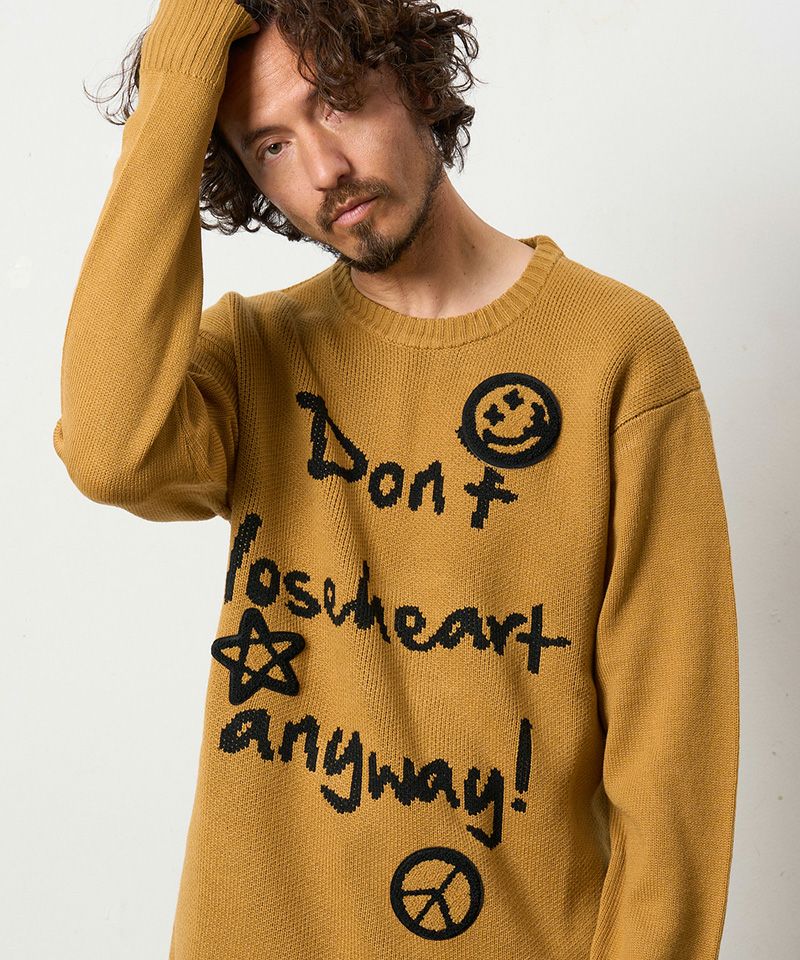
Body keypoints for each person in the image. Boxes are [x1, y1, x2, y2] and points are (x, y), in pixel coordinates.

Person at [52, 0, 740, 957]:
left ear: (415, 80)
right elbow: (110, 450)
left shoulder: (615, 353)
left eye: (334, 103)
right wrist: (177, 79)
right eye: (270, 148)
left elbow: (673, 760)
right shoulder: (253, 356)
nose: (323, 171)